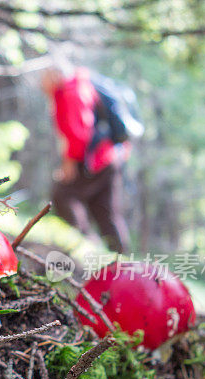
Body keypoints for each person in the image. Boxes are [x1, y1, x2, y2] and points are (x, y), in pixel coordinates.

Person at [41, 65, 131, 254]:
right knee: (105, 210)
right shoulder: (77, 87)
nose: (40, 84)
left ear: (55, 75)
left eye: (43, 78)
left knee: (64, 194)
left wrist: (70, 162)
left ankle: (87, 247)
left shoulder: (71, 91)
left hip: (96, 158)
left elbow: (80, 131)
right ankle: (121, 258)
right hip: (110, 156)